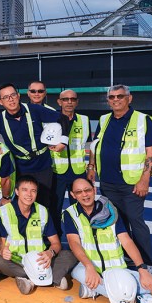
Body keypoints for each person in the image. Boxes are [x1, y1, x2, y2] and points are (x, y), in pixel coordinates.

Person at [64, 177, 152, 303]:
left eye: (87, 190)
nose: (84, 195)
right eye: (79, 192)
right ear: (73, 195)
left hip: (116, 269)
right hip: (91, 267)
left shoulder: (110, 211)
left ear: (94, 190)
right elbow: (73, 243)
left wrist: (142, 269)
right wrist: (89, 266)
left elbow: (126, 241)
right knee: (77, 272)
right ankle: (142, 300)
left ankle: (94, 289)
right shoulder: (70, 214)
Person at [89, 84, 152, 271]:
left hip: (132, 183)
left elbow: (151, 151)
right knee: (116, 222)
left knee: (136, 222)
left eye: (120, 96)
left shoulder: (143, 120)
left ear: (130, 98)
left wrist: (145, 179)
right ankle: (125, 256)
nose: (116, 100)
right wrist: (91, 167)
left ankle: (146, 262)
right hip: (108, 182)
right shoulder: (104, 119)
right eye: (112, 97)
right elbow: (96, 146)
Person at [0, 83, 68, 209]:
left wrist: (63, 141)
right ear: (0, 102)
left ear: (18, 96)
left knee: (44, 204)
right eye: (6, 97)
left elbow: (63, 118)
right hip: (21, 168)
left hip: (43, 166)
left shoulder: (34, 109)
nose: (10, 99)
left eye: (12, 95)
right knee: (23, 205)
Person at [0, 175, 77, 294]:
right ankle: (52, 278)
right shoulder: (4, 212)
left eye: (33, 191)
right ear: (17, 192)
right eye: (25, 190)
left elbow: (56, 243)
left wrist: (50, 253)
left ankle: (29, 280)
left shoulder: (42, 211)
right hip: (17, 260)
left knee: (69, 255)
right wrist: (3, 250)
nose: (29, 194)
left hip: (40, 261)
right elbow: (0, 245)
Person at [49, 89, 90, 237]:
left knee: (81, 208)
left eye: (72, 99)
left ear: (77, 102)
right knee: (55, 208)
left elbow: (90, 146)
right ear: (59, 102)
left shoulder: (84, 120)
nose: (69, 102)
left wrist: (90, 168)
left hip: (78, 172)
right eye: (65, 99)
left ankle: (81, 237)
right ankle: (56, 240)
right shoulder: (51, 120)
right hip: (57, 172)